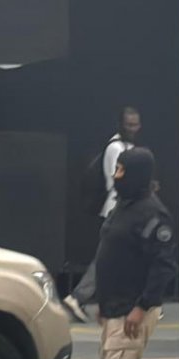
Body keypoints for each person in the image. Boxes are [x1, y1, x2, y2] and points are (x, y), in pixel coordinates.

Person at [83, 147, 179, 359]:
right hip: (115, 310)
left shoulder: (153, 215)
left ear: (137, 174)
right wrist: (103, 302)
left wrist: (142, 307)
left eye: (122, 171)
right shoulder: (122, 208)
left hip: (134, 312)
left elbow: (164, 265)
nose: (116, 175)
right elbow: (109, 255)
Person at [64, 106, 142, 322]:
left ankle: (111, 303)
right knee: (108, 259)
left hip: (122, 210)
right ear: (120, 125)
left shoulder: (128, 147)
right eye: (129, 125)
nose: (134, 129)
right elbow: (116, 183)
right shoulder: (116, 148)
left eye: (136, 124)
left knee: (115, 259)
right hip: (117, 210)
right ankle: (79, 297)